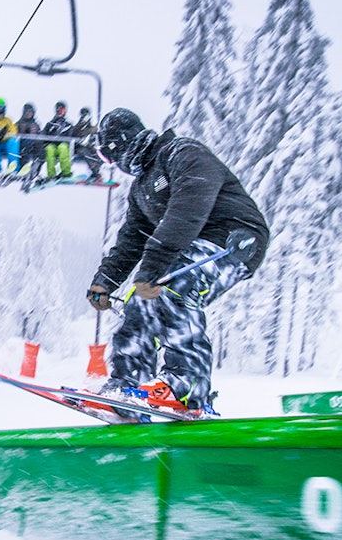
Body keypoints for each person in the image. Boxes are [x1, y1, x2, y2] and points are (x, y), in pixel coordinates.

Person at [86, 108, 269, 412]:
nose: (114, 164)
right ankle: (126, 387)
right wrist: (105, 280)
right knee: (140, 300)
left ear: (123, 142)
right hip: (191, 244)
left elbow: (187, 211)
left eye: (109, 156)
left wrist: (153, 266)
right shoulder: (142, 187)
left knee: (173, 287)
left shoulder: (183, 153)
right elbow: (131, 239)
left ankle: (187, 386)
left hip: (235, 238)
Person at [43, 100, 73, 180]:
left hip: (63, 146)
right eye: (58, 110)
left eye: (62, 110)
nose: (60, 112)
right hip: (52, 145)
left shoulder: (68, 125)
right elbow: (44, 135)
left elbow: (70, 137)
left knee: (62, 147)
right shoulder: (50, 124)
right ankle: (51, 174)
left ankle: (66, 172)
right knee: (49, 149)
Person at [71, 106, 101, 183]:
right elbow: (75, 136)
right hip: (79, 149)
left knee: (98, 153)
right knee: (85, 152)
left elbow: (96, 137)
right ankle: (95, 172)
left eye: (87, 116)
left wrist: (95, 132)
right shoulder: (77, 127)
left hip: (90, 148)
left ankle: (97, 172)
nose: (85, 118)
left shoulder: (92, 127)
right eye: (83, 116)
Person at [15, 103, 42, 175]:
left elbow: (40, 134)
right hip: (23, 145)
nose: (29, 114)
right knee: (25, 146)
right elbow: (14, 134)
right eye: (27, 112)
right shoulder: (19, 123)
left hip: (34, 145)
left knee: (41, 147)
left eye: (31, 112)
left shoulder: (35, 125)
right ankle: (22, 168)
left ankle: (36, 169)